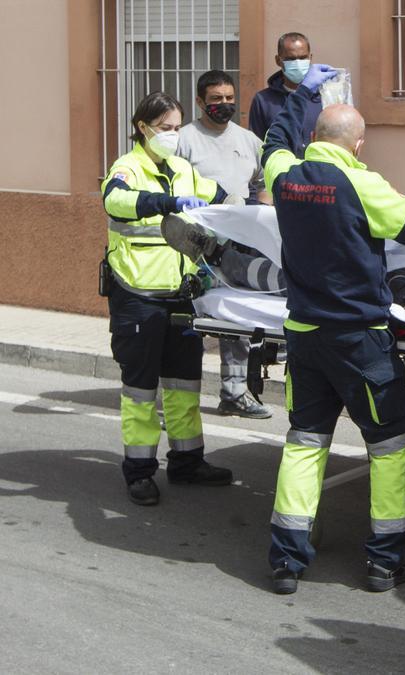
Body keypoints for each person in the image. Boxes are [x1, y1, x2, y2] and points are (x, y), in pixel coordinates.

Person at [262, 64, 405, 595]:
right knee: (388, 445)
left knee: (304, 442)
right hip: (360, 340)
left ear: (313, 138)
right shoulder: (362, 184)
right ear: (357, 145)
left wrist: (302, 95)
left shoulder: (285, 176)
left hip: (303, 335)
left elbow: (272, 141)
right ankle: (385, 560)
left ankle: (287, 560)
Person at [101, 91, 237, 506]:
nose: (173, 135)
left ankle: (187, 461)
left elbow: (216, 194)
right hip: (137, 293)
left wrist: (235, 200)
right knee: (141, 389)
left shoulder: (182, 167)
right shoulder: (127, 168)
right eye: (165, 129)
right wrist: (168, 203)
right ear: (143, 128)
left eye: (177, 128)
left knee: (183, 385)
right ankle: (140, 472)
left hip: (181, 294)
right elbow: (115, 201)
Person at [177, 69, 273, 420]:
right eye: (216, 99)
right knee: (188, 324)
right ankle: (178, 398)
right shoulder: (183, 140)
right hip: (190, 248)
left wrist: (257, 224)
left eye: (230, 99)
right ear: (200, 102)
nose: (224, 105)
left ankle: (234, 394)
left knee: (235, 321)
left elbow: (263, 185)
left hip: (235, 250)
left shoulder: (248, 140)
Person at [249, 32, 322, 154]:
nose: (298, 63)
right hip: (281, 171)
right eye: (291, 59)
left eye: (303, 57)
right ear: (278, 60)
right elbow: (257, 145)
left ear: (310, 58)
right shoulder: (263, 100)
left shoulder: (324, 96)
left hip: (319, 171)